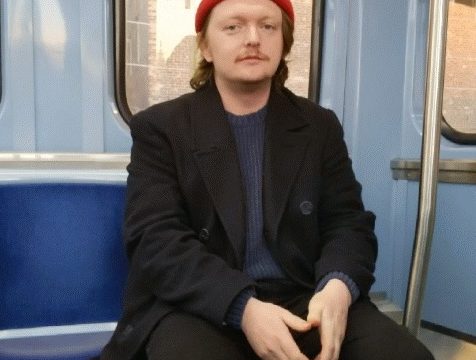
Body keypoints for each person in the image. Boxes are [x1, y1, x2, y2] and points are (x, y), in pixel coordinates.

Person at [100, 0, 435, 359]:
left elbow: (348, 223)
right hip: (201, 304)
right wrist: (242, 307)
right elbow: (156, 241)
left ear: (284, 42)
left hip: (304, 296)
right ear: (205, 46)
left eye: (268, 26)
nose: (253, 38)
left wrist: (338, 287)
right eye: (233, 27)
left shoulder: (318, 126)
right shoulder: (162, 128)